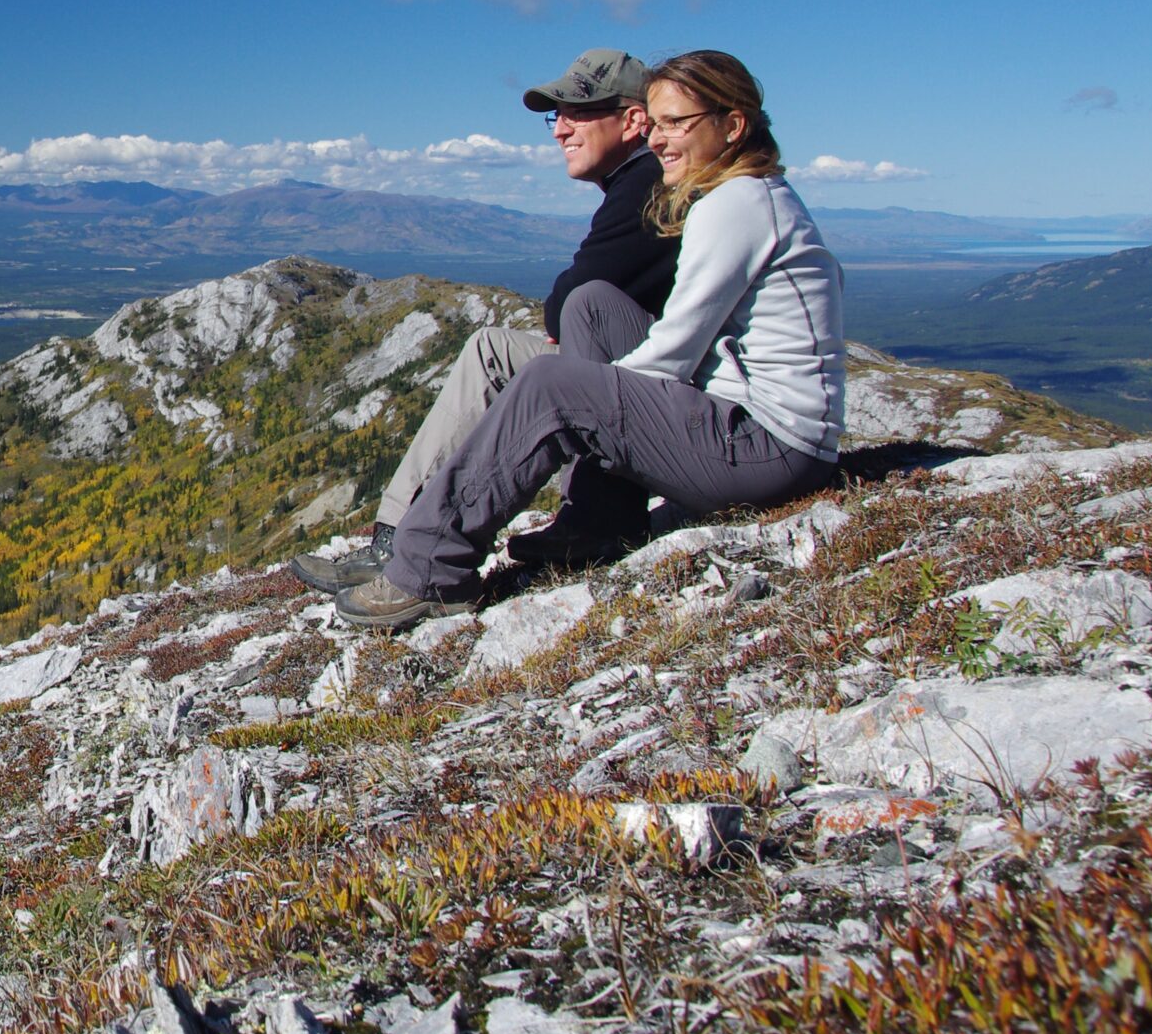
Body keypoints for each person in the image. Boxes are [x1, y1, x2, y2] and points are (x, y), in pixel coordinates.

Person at [330, 49, 845, 631]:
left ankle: (426, 570)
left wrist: (578, 396)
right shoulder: (746, 195)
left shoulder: (736, 204)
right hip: (759, 434)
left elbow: (674, 352)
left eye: (679, 123)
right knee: (593, 306)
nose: (661, 140)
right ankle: (597, 523)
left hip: (769, 451)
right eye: (660, 124)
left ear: (733, 126)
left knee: (551, 383)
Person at [292, 47, 677, 591]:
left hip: (673, 396)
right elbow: (575, 297)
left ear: (634, 119)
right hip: (650, 377)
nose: (559, 130)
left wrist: (568, 306)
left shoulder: (648, 185)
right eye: (557, 115)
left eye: (577, 112)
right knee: (491, 347)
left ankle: (584, 519)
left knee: (524, 339)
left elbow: (572, 299)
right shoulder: (636, 183)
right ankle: (396, 537)